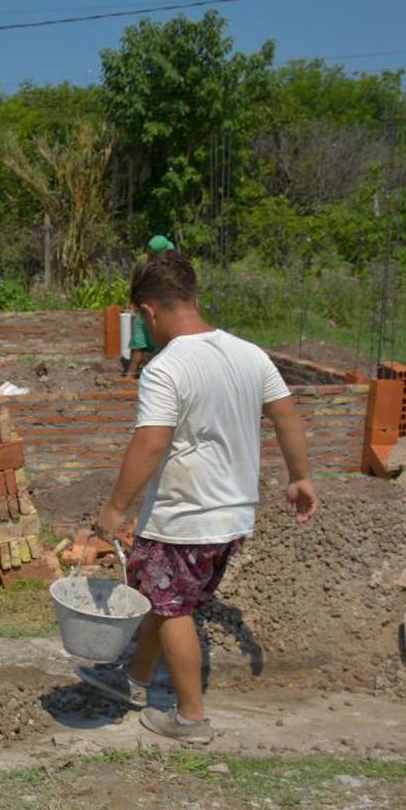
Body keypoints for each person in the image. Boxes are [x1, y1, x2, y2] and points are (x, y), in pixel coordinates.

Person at [85, 250, 318, 744]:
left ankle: (190, 719)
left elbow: (150, 441)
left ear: (148, 312)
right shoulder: (250, 354)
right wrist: (300, 477)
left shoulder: (166, 369)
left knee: (172, 609)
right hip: (232, 515)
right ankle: (134, 679)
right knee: (163, 594)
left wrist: (115, 509)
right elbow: (286, 413)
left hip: (185, 516)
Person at [126, 236, 174, 379]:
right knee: (164, 345)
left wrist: (134, 302)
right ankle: (160, 376)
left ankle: (130, 375)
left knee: (140, 343)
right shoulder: (163, 268)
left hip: (144, 308)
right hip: (158, 309)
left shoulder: (142, 264)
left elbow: (134, 284)